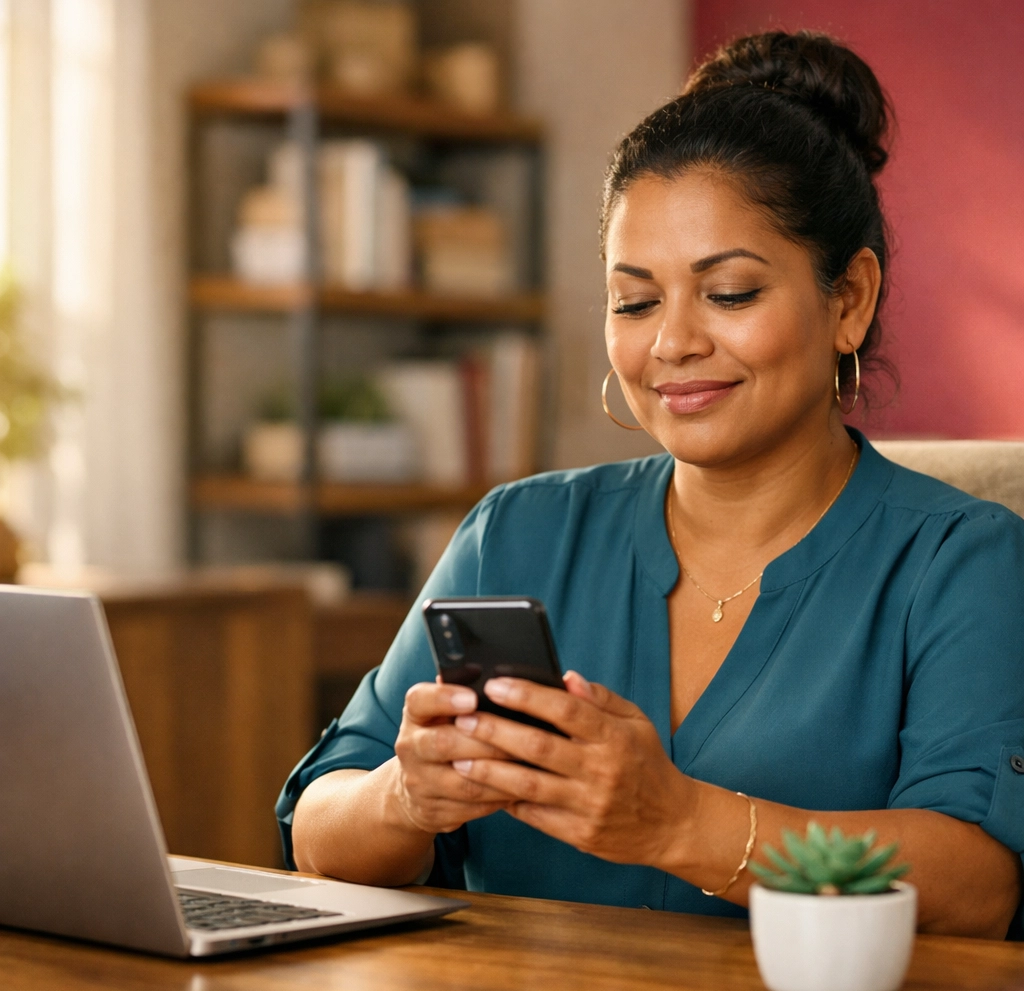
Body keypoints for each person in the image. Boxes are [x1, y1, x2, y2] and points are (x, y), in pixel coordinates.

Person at [278, 30, 1024, 939]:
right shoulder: (516, 535)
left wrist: (677, 823)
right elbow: (319, 827)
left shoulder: (961, 562)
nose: (671, 343)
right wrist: (408, 796)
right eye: (635, 302)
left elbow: (977, 889)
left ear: (849, 301)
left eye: (731, 293)